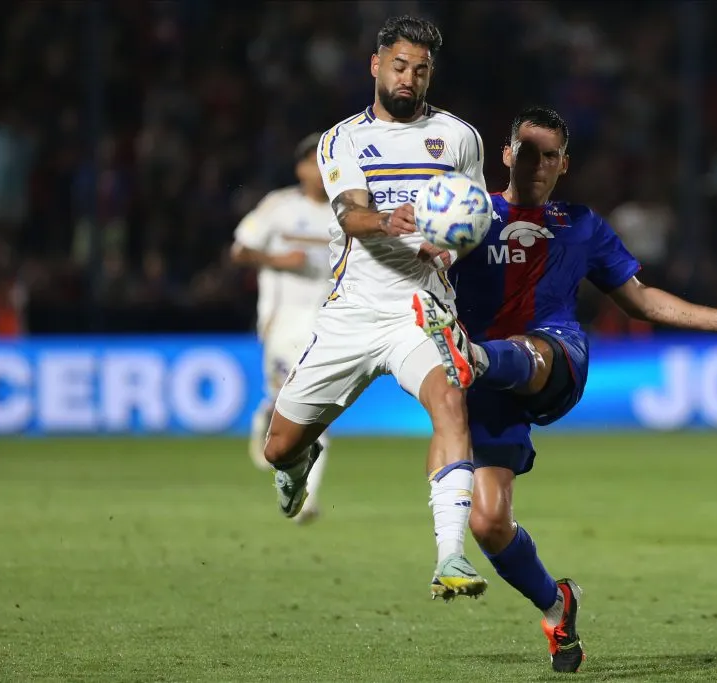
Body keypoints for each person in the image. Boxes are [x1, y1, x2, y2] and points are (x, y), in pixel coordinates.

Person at [413, 106, 717, 673]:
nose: (538, 164)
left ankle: (476, 355)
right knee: (488, 522)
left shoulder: (580, 224)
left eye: (551, 156)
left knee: (523, 348)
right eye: (528, 152)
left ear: (564, 164)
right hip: (483, 383)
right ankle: (555, 604)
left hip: (553, 355)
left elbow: (641, 299)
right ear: (506, 154)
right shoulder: (469, 213)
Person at [264, 15, 489, 600]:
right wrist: (389, 220)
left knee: (450, 404)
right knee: (278, 447)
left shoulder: (460, 138)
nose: (408, 78)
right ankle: (297, 466)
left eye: (421, 69)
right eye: (399, 66)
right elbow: (350, 215)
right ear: (376, 65)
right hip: (353, 313)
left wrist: (453, 246)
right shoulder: (340, 140)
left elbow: (475, 217)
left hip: (421, 309)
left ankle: (451, 556)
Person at [230, 133, 335, 523]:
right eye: (313, 162)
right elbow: (239, 250)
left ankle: (307, 497)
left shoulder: (347, 210)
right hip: (282, 322)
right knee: (284, 402)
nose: (321, 170)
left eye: (326, 162)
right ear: (300, 168)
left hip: (328, 324)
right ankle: (268, 411)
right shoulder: (279, 206)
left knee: (315, 409)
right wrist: (278, 260)